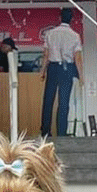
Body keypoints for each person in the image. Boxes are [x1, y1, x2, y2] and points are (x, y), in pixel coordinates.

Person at [40, 8, 83, 137]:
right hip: (67, 69)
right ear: (72, 20)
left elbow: (46, 55)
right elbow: (78, 58)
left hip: (53, 68)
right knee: (64, 102)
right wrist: (81, 76)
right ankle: (62, 132)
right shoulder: (75, 36)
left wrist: (42, 71)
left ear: (60, 18)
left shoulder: (50, 34)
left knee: (48, 100)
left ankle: (45, 131)